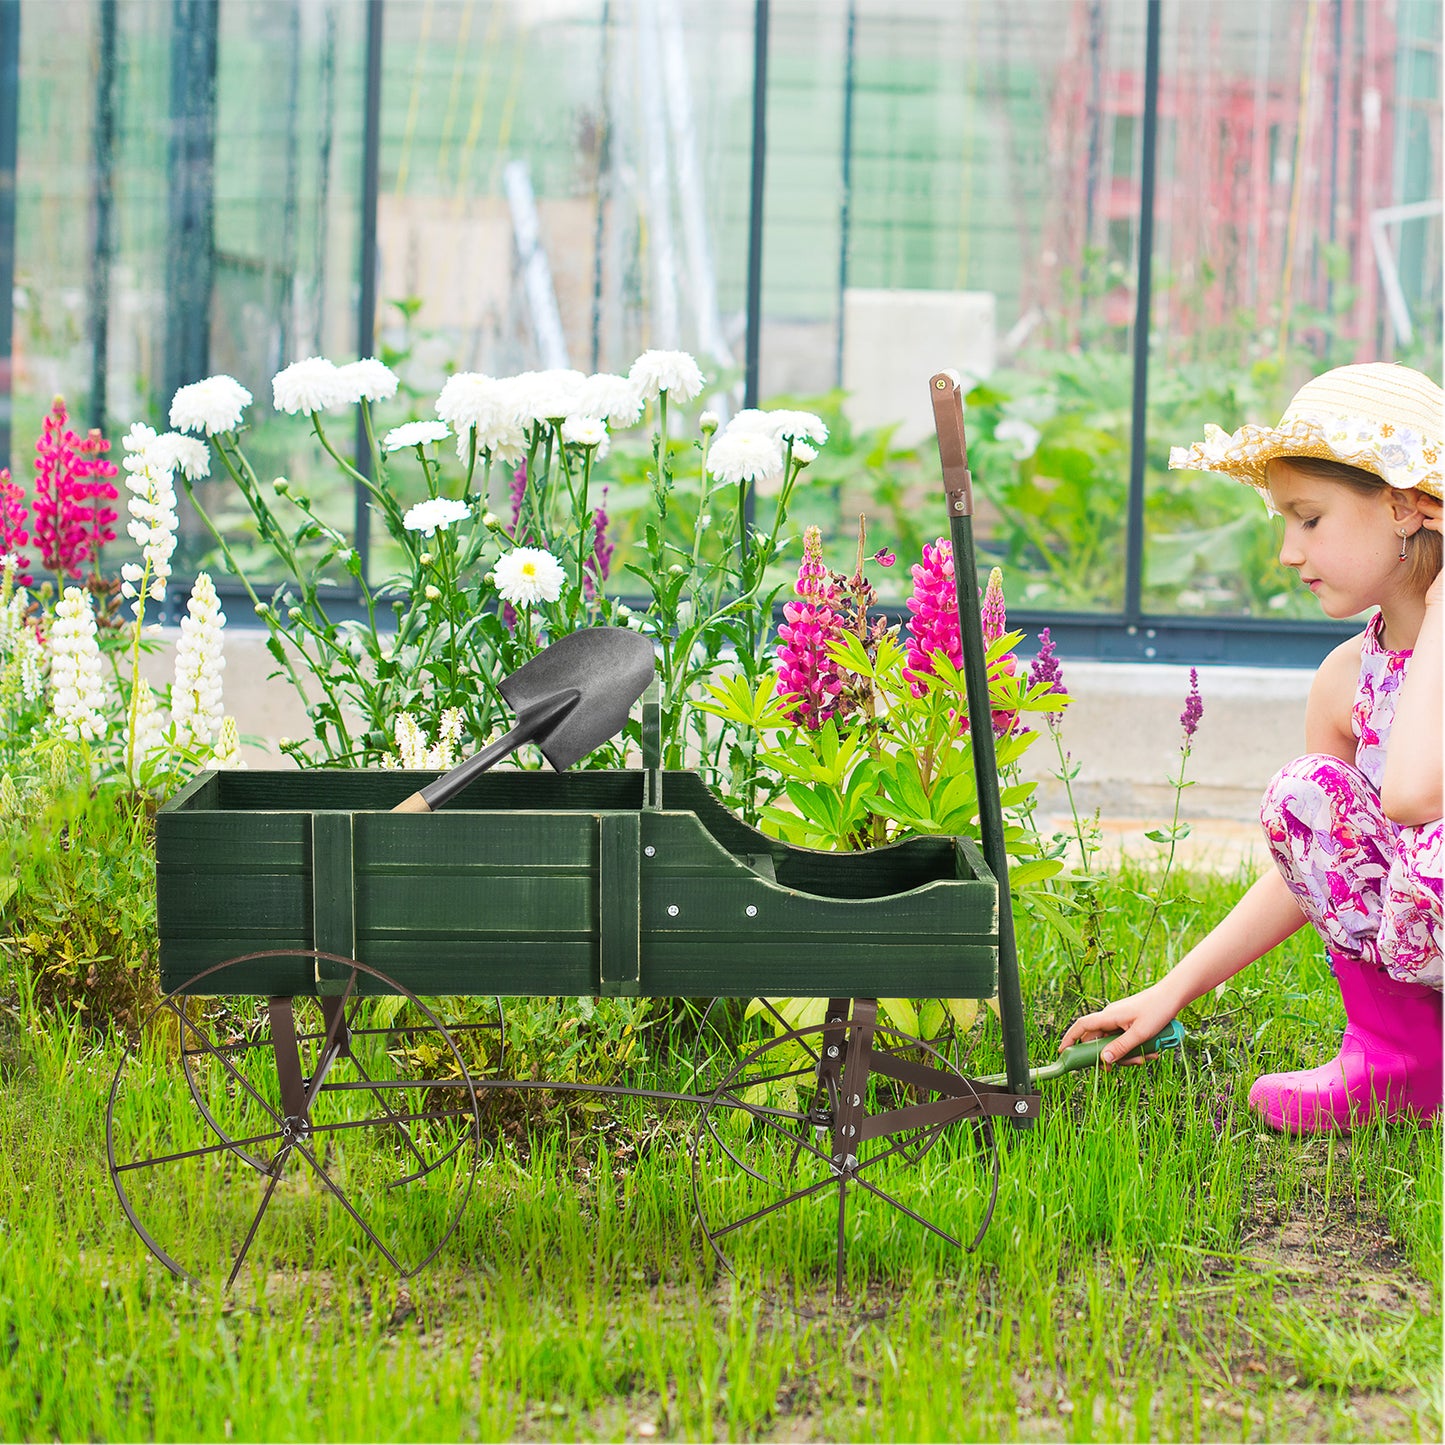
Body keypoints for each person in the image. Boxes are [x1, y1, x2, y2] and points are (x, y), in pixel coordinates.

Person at [1059, 362, 1443, 1134]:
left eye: (1308, 518)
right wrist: (1171, 989)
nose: (1287, 553)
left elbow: (1410, 798)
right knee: (1306, 794)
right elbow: (1314, 864)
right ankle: (1398, 1057)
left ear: (1402, 506)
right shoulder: (1344, 680)